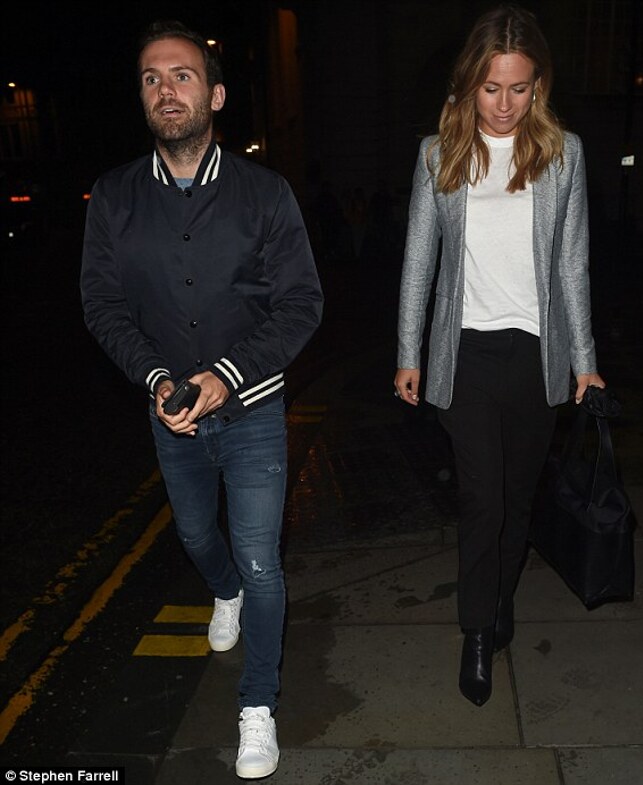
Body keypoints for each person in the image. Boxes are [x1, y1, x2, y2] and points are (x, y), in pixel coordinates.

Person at [80, 20, 322, 778]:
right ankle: (223, 592)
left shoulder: (265, 193)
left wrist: (226, 373)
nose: (166, 89)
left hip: (253, 411)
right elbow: (102, 305)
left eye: (182, 75)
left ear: (214, 95)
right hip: (170, 415)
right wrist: (157, 379)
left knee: (261, 561)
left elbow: (302, 304)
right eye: (152, 78)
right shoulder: (114, 197)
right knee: (194, 535)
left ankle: (258, 706)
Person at [394, 5, 604, 708]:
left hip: (537, 355)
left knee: (518, 499)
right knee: (482, 498)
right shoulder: (439, 154)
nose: (505, 104)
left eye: (518, 87)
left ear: (538, 85)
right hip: (466, 354)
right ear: (469, 84)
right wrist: (408, 352)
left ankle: (500, 595)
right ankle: (477, 630)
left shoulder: (564, 154)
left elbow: (572, 264)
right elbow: (418, 261)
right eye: (491, 88)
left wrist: (584, 360)